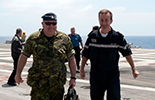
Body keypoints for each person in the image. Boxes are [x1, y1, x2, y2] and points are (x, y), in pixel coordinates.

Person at [80, 9, 139, 100]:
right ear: (98, 20)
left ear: (111, 21)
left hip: (112, 76)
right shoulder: (92, 37)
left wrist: (134, 69)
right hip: (96, 76)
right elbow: (85, 54)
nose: (104, 23)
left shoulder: (117, 37)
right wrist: (82, 69)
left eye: (106, 20)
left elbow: (127, 54)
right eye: (101, 20)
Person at [15, 12, 77, 100]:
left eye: (54, 23)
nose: (51, 26)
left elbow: (71, 58)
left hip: (57, 85)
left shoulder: (64, 39)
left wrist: (73, 77)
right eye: (48, 23)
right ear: (42, 24)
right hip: (39, 85)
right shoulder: (33, 38)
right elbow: (24, 56)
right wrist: (18, 74)